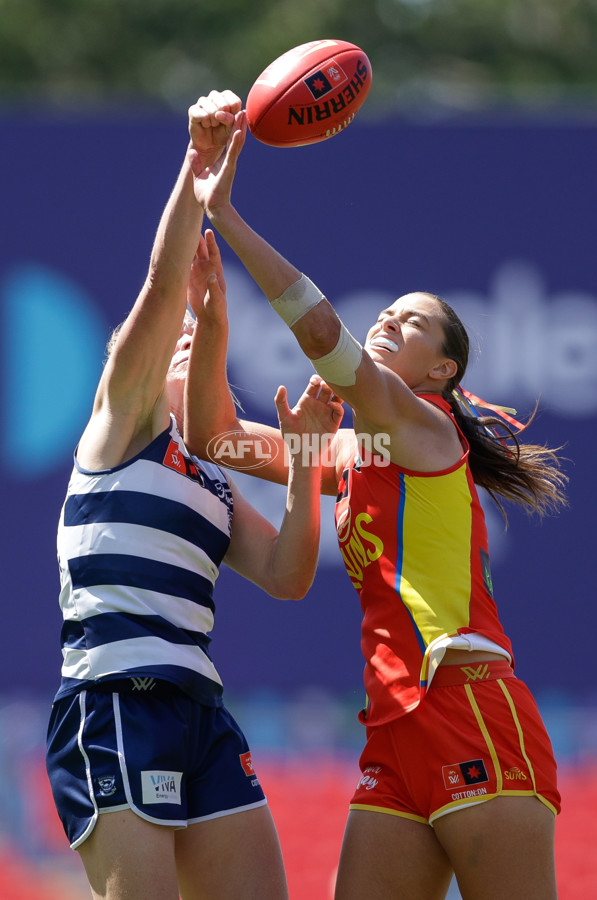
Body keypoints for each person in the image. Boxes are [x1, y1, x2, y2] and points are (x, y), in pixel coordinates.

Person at [183, 106, 569, 900]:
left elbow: (322, 331)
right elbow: (214, 439)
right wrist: (212, 322)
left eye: (415, 321)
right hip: (394, 731)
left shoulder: (421, 429)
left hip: (469, 704)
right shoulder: (365, 452)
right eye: (388, 311)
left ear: (441, 374)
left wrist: (226, 214)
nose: (391, 318)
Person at [45, 91, 344, 900]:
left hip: (198, 712)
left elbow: (288, 574)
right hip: (115, 703)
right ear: (131, 364)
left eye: (191, 336)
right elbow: (161, 278)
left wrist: (310, 464)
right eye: (166, 335)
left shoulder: (210, 475)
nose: (181, 333)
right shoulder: (121, 422)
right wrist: (198, 164)